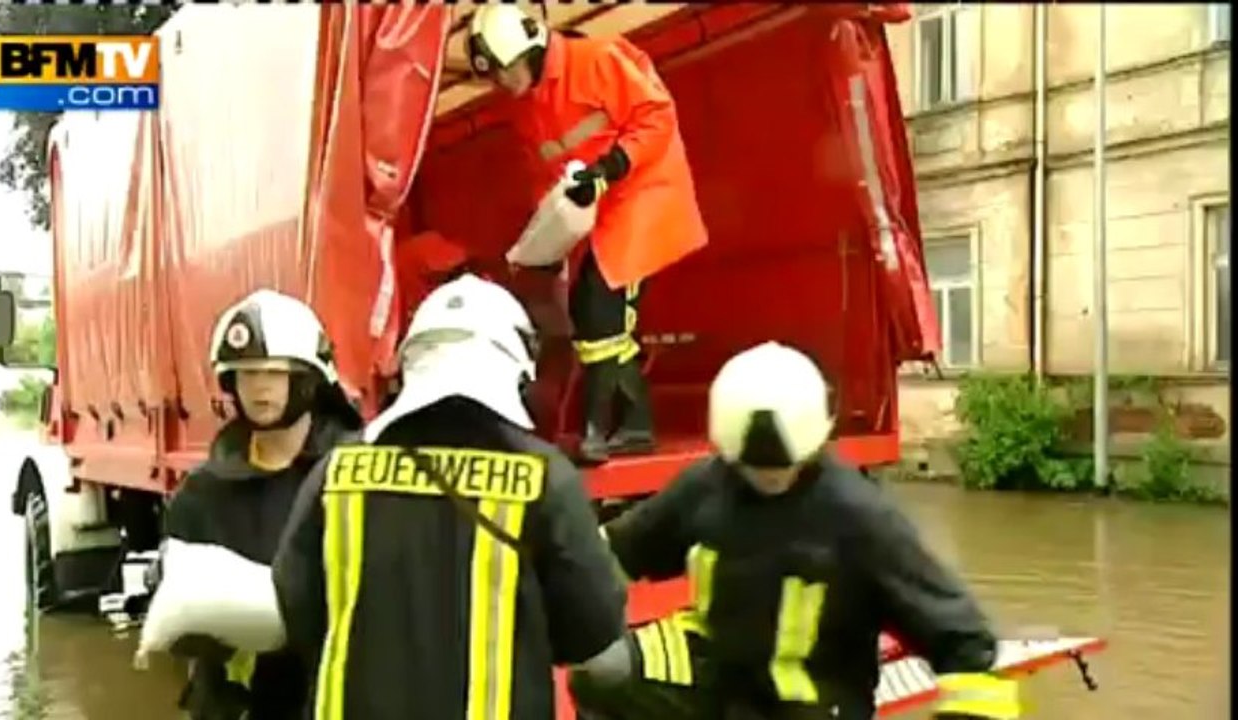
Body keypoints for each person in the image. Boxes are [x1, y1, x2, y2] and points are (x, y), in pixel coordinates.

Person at [569, 342, 1021, 720]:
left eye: (783, 468)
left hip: (811, 703)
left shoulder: (860, 519)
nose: (770, 479)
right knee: (601, 670)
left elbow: (962, 641)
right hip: (720, 680)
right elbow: (616, 556)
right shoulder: (708, 485)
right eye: (755, 469)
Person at [272, 273, 632, 720]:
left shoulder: (337, 471)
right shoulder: (543, 478)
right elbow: (592, 637)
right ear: (518, 373)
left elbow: (295, 601)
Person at [466, 4, 709, 464]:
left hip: (642, 195)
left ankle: (616, 427)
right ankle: (622, 425)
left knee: (603, 307)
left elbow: (655, 116)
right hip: (599, 213)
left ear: (530, 54)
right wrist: (545, 239)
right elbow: (546, 175)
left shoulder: (596, 60)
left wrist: (608, 169)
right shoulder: (527, 108)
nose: (501, 82)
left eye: (504, 70)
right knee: (590, 308)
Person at [158, 289, 363, 720]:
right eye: (245, 374)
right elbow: (180, 624)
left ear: (308, 380)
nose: (259, 387)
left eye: (273, 372)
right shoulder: (203, 492)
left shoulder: (357, 478)